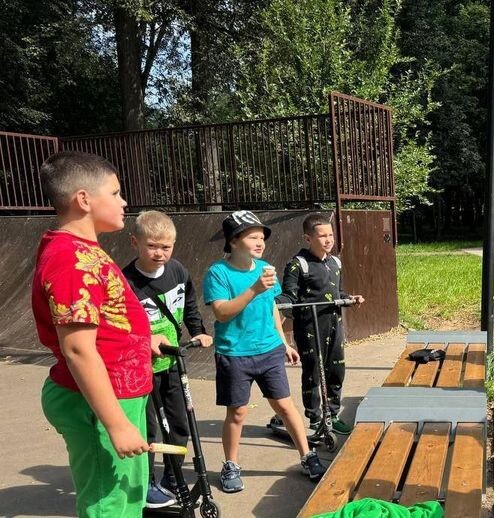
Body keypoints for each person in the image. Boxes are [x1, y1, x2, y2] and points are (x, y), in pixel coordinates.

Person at [32, 151, 168, 517]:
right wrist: (116, 424)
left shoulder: (82, 249)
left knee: (127, 495)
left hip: (116, 392)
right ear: (84, 200)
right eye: (116, 192)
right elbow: (77, 349)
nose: (124, 202)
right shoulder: (70, 260)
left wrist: (142, 340)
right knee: (110, 505)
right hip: (101, 400)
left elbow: (104, 321)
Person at [202, 210, 325, 493]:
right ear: (233, 241)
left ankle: (307, 456)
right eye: (252, 237)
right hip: (234, 354)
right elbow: (221, 313)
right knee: (238, 412)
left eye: (262, 238)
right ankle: (230, 465)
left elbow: (272, 308)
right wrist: (255, 289)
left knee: (285, 406)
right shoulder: (218, 273)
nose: (260, 242)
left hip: (269, 350)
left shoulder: (265, 268)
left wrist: (284, 343)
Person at [121, 211, 213, 508]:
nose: (159, 253)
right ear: (135, 242)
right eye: (152, 246)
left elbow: (189, 303)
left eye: (166, 247)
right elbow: (118, 324)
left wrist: (198, 330)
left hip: (172, 362)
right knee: (146, 429)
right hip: (140, 368)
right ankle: (145, 483)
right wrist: (140, 342)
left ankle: (172, 476)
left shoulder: (177, 271)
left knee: (179, 422)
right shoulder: (126, 282)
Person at [272, 213, 364, 437]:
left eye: (330, 235)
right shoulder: (298, 264)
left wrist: (350, 299)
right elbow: (289, 297)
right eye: (322, 236)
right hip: (309, 328)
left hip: (334, 325)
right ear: (308, 238)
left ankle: (332, 415)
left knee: (336, 371)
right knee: (313, 372)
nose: (328, 240)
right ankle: (315, 418)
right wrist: (275, 303)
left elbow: (337, 292)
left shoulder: (335, 262)